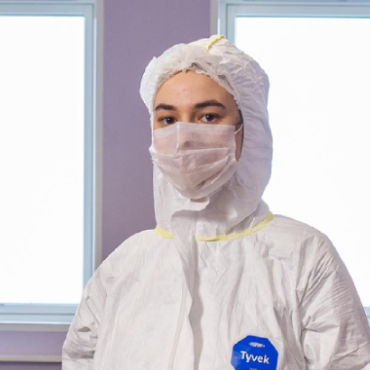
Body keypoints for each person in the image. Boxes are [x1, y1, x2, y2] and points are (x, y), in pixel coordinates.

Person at [62, 35, 370, 370]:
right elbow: (80, 359)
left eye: (208, 116)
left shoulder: (304, 257)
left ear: (247, 129)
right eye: (168, 119)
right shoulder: (123, 266)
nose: (184, 137)